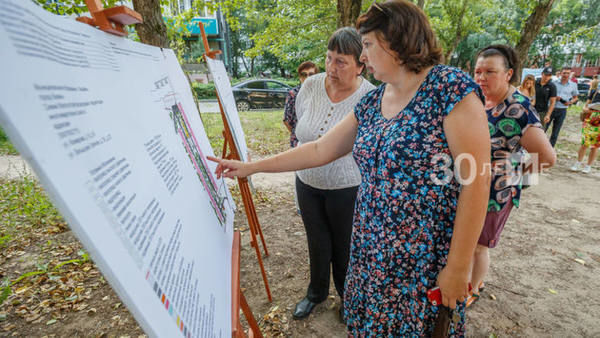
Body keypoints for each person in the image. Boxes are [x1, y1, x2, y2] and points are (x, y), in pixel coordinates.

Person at [210, 1, 492, 335]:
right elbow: (318, 149)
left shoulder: (449, 88)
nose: (363, 57)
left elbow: (477, 178)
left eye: (368, 46)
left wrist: (458, 266)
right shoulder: (373, 102)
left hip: (421, 257)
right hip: (369, 249)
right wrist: (250, 167)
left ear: (397, 40)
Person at [469, 45, 556, 307]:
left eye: (490, 72)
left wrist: (518, 180)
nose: (482, 77)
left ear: (508, 74)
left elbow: (548, 158)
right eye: (478, 71)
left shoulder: (519, 110)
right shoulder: (477, 99)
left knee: (479, 245)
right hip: (468, 184)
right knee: (465, 238)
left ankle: (473, 289)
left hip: (495, 192)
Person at [283, 61, 318, 148]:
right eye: (304, 74)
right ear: (300, 77)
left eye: (311, 74)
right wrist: (298, 134)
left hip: (317, 141)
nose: (307, 77)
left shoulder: (321, 93)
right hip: (298, 141)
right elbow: (286, 120)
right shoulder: (293, 94)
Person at [545, 67, 578, 147]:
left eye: (568, 73)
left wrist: (570, 102)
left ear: (570, 74)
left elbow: (575, 97)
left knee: (555, 132)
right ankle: (538, 147)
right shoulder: (553, 82)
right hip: (550, 109)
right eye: (564, 73)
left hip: (562, 110)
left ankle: (550, 149)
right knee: (543, 129)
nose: (566, 75)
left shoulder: (573, 85)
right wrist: (553, 97)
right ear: (560, 73)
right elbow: (545, 93)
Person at [570, 88, 600, 174]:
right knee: (584, 143)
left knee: (595, 146)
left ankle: (588, 166)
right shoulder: (594, 91)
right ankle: (578, 163)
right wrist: (585, 109)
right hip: (589, 120)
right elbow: (585, 105)